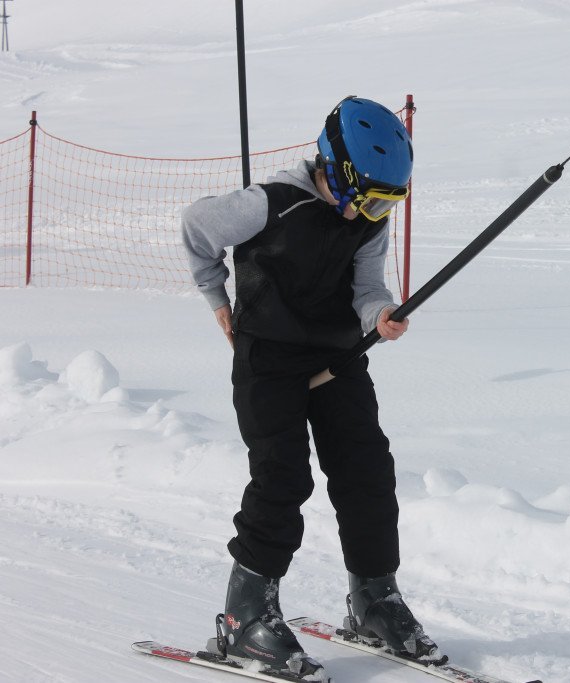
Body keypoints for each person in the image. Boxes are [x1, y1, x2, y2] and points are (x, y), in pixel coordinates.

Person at [181, 96, 436, 679]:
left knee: (366, 468)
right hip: (269, 358)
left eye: (386, 203)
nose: (371, 213)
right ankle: (245, 617)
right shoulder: (267, 204)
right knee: (283, 476)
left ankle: (374, 598)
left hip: (337, 355)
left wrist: (379, 315)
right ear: (337, 170)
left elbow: (367, 287)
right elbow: (196, 226)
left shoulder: (368, 220)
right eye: (370, 198)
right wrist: (217, 297)